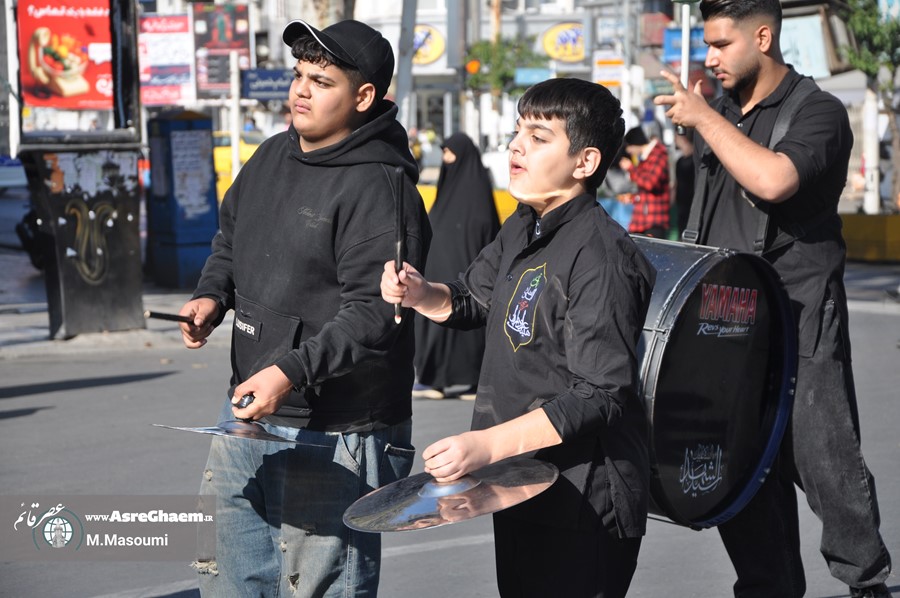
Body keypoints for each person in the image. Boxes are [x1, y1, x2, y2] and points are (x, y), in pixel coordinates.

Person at [177, 18, 431, 597]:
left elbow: (374, 315)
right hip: (247, 412)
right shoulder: (272, 154)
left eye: (321, 81)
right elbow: (230, 240)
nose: (300, 91)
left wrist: (289, 372)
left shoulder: (380, 188)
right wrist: (211, 296)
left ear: (363, 97)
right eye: (298, 75)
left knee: (318, 588)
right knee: (227, 580)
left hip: (338, 430)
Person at [382, 78, 656, 597]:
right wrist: (421, 293)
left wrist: (484, 444)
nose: (516, 146)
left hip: (584, 497)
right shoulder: (523, 225)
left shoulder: (601, 255)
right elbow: (473, 299)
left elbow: (600, 393)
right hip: (518, 480)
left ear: (585, 162)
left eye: (538, 136)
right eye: (517, 131)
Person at [654, 1, 893, 597]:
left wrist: (704, 119)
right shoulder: (723, 112)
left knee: (824, 458)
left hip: (799, 311)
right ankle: (769, 586)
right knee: (738, 463)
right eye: (707, 44)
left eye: (721, 44)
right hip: (727, 317)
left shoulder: (818, 110)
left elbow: (774, 179)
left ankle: (865, 580)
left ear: (763, 37)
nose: (710, 57)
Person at [412, 132, 500, 400]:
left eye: (450, 153)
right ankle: (435, 379)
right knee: (436, 321)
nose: (446, 159)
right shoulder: (447, 194)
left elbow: (488, 236)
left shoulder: (478, 196)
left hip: (470, 275)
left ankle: (473, 380)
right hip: (441, 272)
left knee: (469, 320)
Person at [618, 126, 670, 238]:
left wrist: (631, 168)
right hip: (641, 221)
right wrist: (633, 198)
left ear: (635, 144)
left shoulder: (658, 155)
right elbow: (645, 191)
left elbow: (650, 183)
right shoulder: (646, 158)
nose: (629, 151)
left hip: (654, 220)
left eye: (629, 147)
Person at [672, 130, 695, 235]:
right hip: (681, 203)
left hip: (692, 202)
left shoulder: (695, 160)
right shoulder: (680, 161)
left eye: (677, 137)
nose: (675, 140)